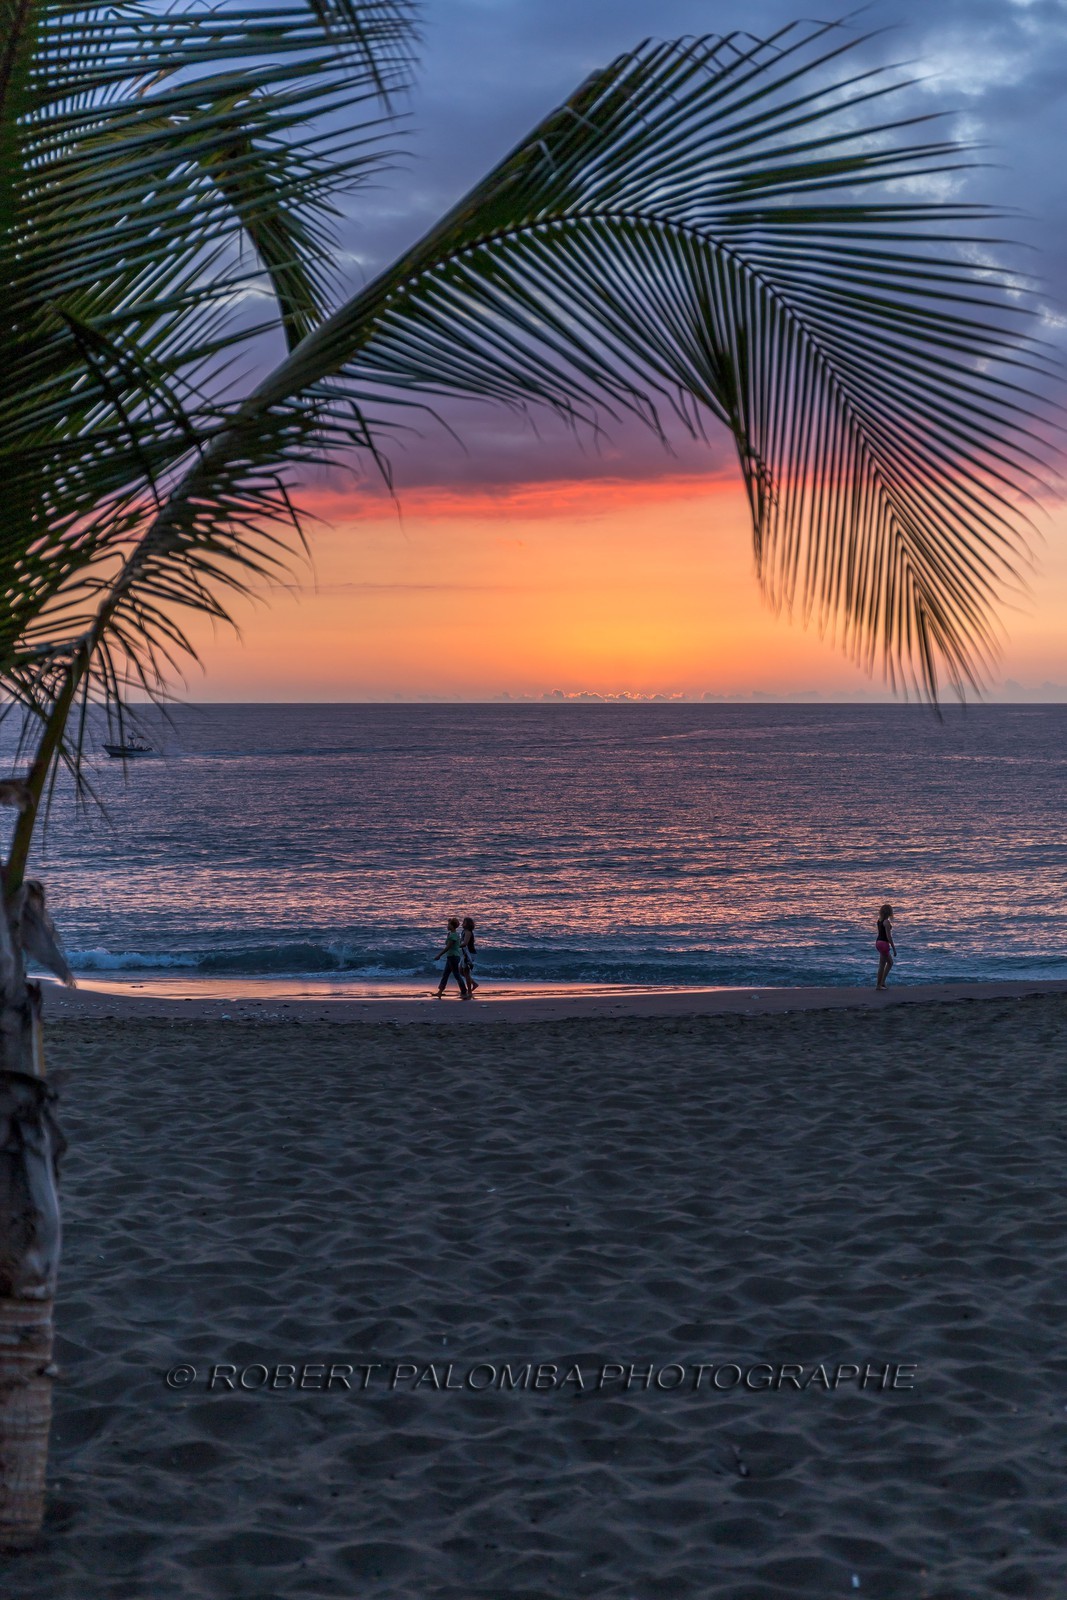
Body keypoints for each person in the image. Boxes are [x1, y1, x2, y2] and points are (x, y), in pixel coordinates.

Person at [434, 917, 470, 998]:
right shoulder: (453, 934)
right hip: (452, 957)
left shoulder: (453, 936)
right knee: (446, 974)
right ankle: (440, 991)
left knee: (456, 974)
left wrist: (439, 955)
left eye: (449, 924)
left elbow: (448, 947)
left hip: (453, 957)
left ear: (452, 926)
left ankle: (464, 991)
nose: (447, 926)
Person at [875, 903, 896, 990]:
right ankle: (880, 984)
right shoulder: (886, 922)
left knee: (882, 964)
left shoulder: (879, 920)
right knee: (890, 963)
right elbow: (888, 936)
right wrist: (894, 948)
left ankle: (880, 984)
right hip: (884, 943)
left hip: (878, 942)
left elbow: (881, 933)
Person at [460, 916, 479, 994]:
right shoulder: (463, 931)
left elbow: (465, 943)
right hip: (465, 953)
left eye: (464, 922)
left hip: (470, 954)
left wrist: (455, 946)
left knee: (466, 972)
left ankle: (469, 991)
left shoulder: (468, 932)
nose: (462, 923)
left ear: (467, 924)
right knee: (461, 971)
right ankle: (474, 983)